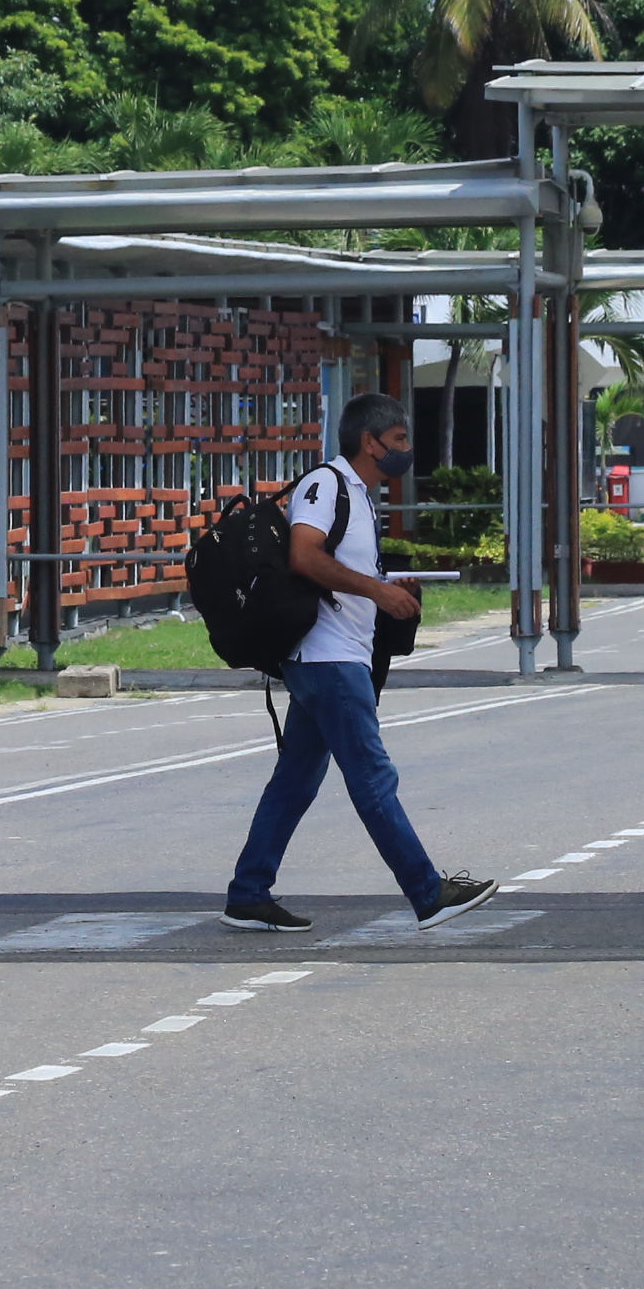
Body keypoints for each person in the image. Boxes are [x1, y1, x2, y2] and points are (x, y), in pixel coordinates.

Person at [221, 392, 499, 934]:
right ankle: (428, 893)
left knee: (295, 782)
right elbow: (304, 556)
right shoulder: (325, 485)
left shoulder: (360, 495)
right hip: (326, 661)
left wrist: (388, 590)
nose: (405, 451)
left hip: (336, 658)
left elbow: (337, 571)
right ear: (370, 442)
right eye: (398, 441)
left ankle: (248, 893)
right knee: (373, 778)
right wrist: (377, 590)